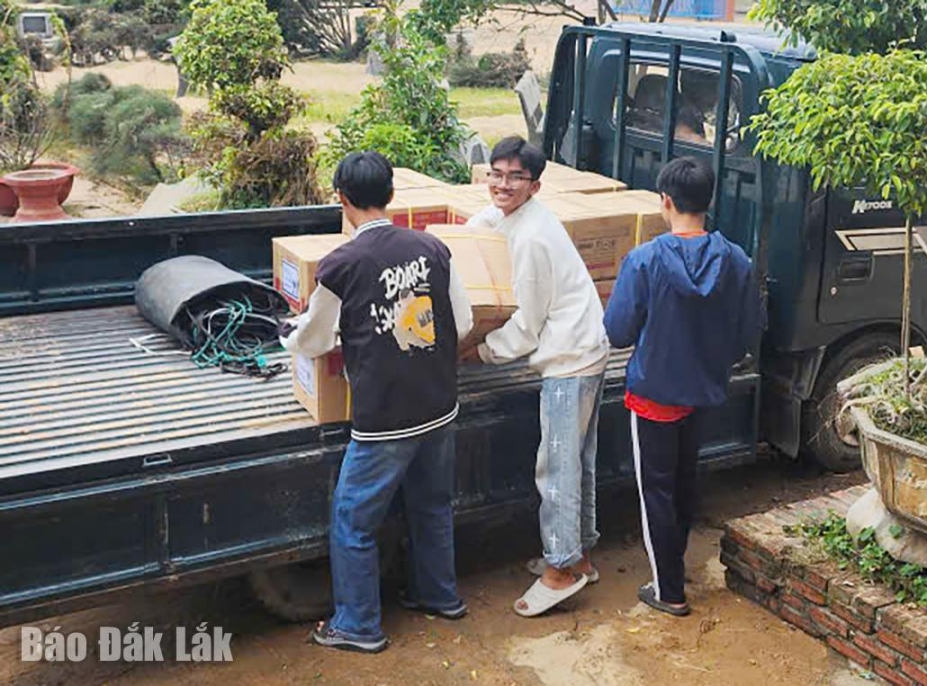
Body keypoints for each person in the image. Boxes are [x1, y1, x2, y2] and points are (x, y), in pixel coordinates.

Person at [282, 151, 474, 653]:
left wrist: (289, 338)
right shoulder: (432, 247)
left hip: (385, 418)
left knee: (353, 520)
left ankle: (358, 624)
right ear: (391, 195)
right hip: (439, 405)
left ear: (342, 198)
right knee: (432, 505)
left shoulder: (342, 263)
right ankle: (440, 596)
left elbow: (316, 339)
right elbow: (466, 322)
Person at [603, 157, 763, 616]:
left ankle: (668, 589)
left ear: (666, 201)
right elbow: (748, 329)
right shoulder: (736, 258)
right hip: (704, 392)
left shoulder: (645, 260)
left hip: (654, 395)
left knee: (656, 490)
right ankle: (674, 565)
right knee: (685, 481)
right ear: (708, 202)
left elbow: (618, 332)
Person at [466, 136, 610, 617]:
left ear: (535, 185)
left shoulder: (531, 238)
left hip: (569, 361)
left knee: (557, 468)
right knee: (577, 463)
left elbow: (525, 326)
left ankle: (562, 568)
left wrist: (477, 353)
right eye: (496, 174)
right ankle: (579, 554)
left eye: (515, 177)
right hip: (584, 350)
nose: (502, 185)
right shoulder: (519, 217)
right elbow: (487, 223)